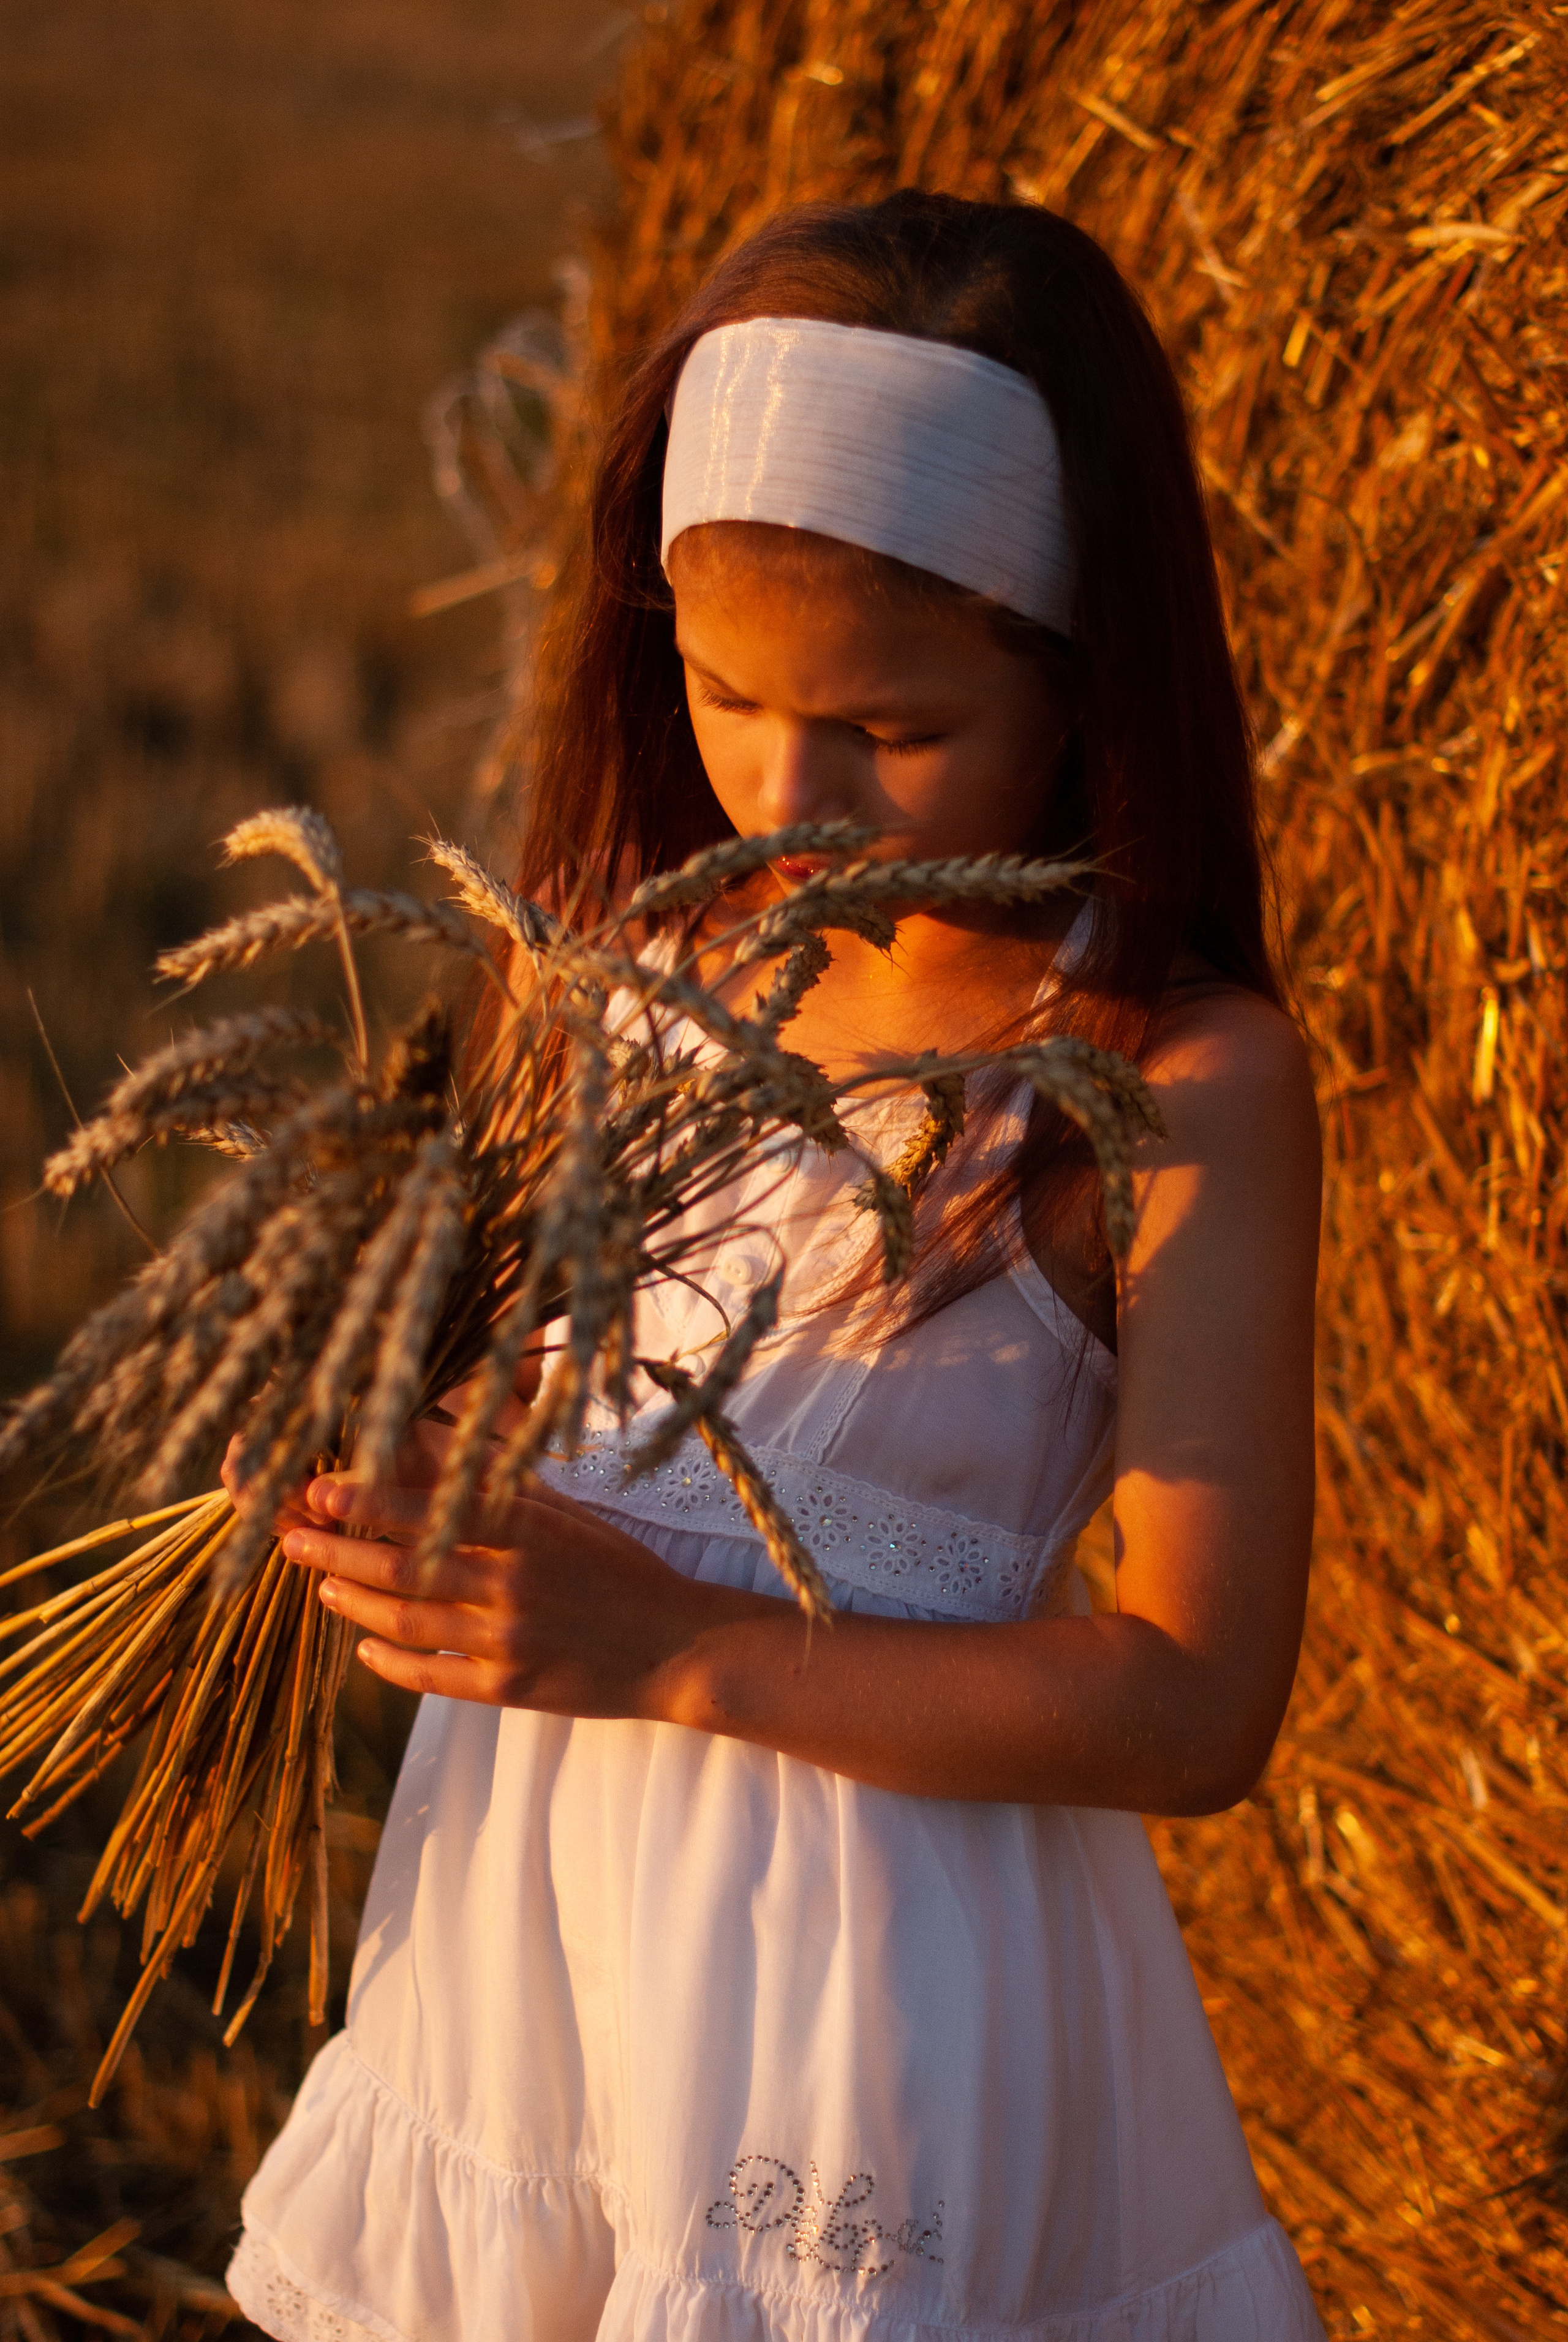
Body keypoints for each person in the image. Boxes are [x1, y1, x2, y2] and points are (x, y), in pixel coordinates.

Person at [227, 193, 1325, 2341]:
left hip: (867, 2011)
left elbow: (1199, 1702)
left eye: (892, 734)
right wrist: (389, 1482)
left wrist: (676, 1650)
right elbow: (484, 1385)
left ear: (1086, 682)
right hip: (538, 1941)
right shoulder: (609, 969)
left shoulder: (1159, 1077)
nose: (789, 797)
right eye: (727, 698)